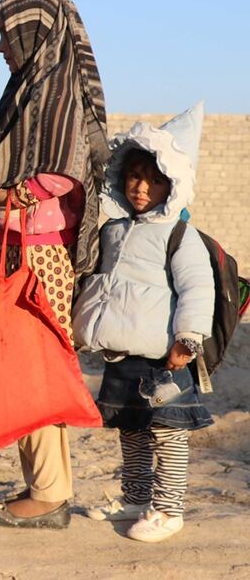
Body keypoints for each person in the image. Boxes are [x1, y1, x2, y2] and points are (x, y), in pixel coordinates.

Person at [0, 0, 109, 529]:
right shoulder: (28, 94)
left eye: (7, 35)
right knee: (21, 366)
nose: (1, 47)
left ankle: (49, 494)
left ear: (33, 35)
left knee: (35, 371)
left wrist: (7, 192)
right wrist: (0, 189)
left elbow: (57, 171)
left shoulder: (56, 99)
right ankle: (44, 485)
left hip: (43, 253)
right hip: (19, 248)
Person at [74, 104, 214, 543]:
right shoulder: (113, 229)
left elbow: (196, 288)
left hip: (163, 358)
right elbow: (100, 283)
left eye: (153, 180)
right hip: (121, 354)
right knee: (131, 430)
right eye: (135, 176)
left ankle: (169, 510)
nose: (140, 187)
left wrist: (187, 341)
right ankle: (135, 498)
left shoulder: (179, 234)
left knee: (168, 434)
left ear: (171, 185)